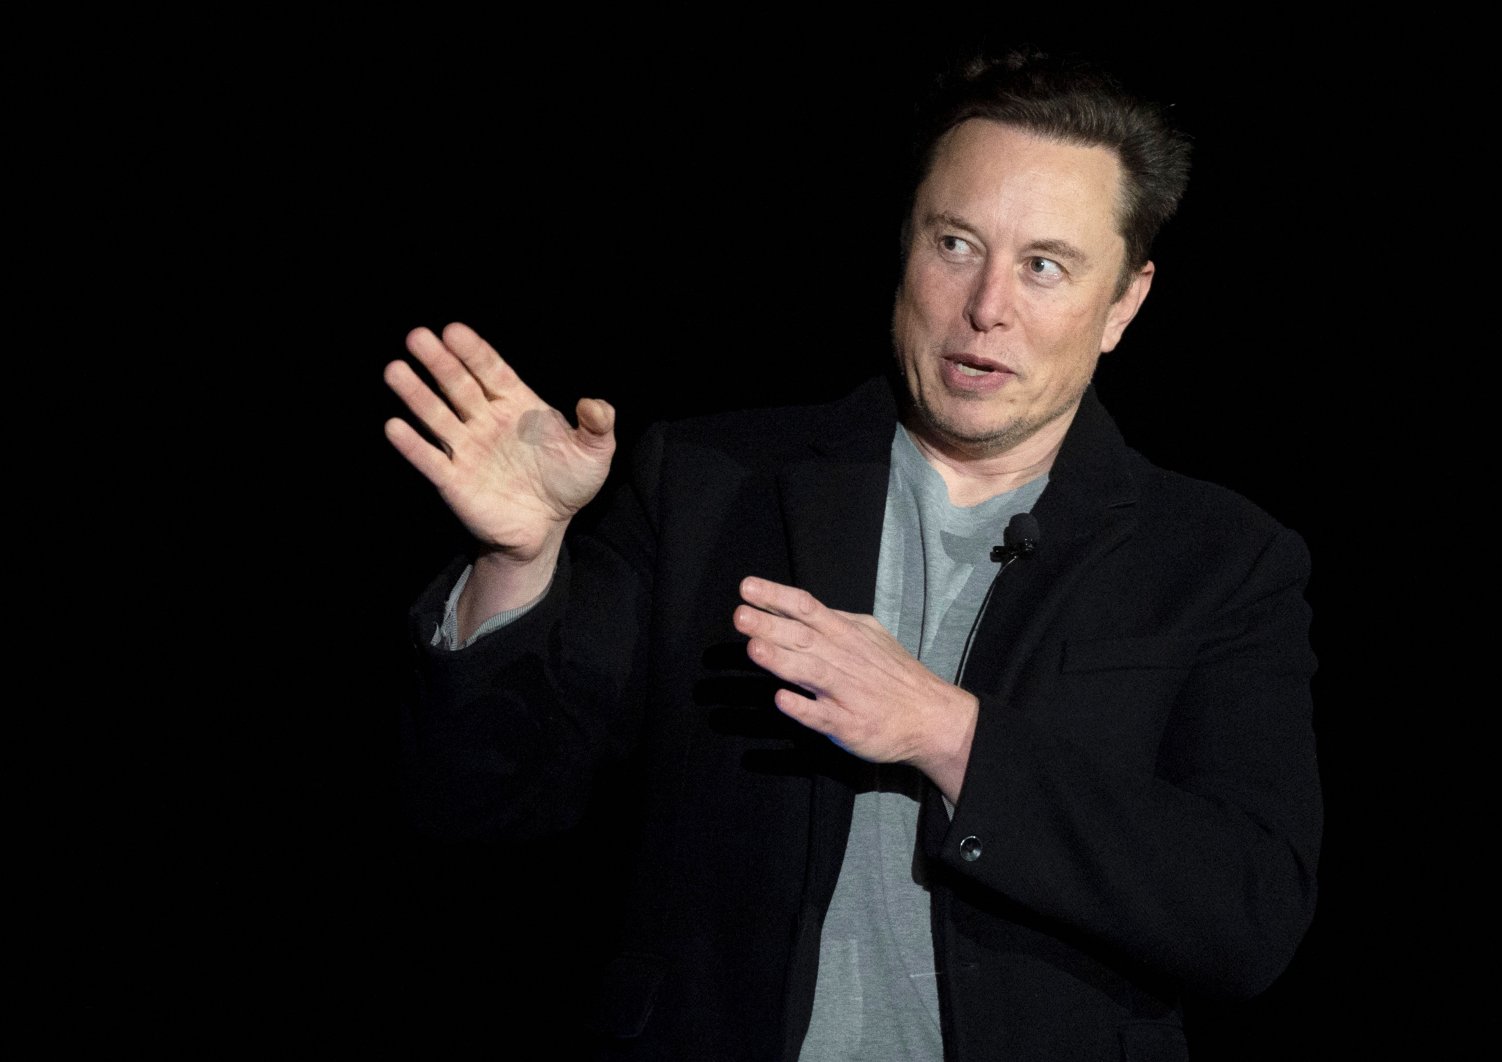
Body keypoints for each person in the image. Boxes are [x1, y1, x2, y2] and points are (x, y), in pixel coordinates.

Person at [384, 50, 1321, 1061]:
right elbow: (479, 803)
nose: (988, 305)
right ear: (905, 243)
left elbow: (1248, 914)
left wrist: (946, 733)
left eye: (1045, 265)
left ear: (1124, 303)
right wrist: (519, 564)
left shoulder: (1219, 559)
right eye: (956, 244)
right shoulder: (710, 483)